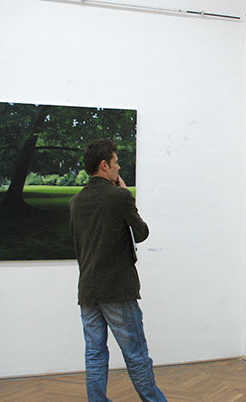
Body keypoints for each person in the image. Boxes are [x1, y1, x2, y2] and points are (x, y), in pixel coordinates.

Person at [69, 139, 166, 402]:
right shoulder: (120, 197)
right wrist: (127, 196)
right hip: (117, 290)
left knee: (94, 354)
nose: (119, 167)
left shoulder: (75, 202)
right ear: (104, 165)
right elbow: (141, 233)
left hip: (87, 290)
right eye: (116, 162)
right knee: (136, 354)